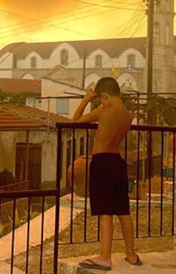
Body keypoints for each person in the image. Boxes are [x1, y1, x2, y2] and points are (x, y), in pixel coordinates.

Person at [71, 77, 142, 271]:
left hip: (102, 162)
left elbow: (75, 121)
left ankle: (104, 257)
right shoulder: (128, 115)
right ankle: (131, 254)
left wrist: (86, 99)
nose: (100, 102)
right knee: (123, 211)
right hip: (118, 163)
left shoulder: (104, 110)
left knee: (105, 212)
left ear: (105, 96)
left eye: (100, 99)